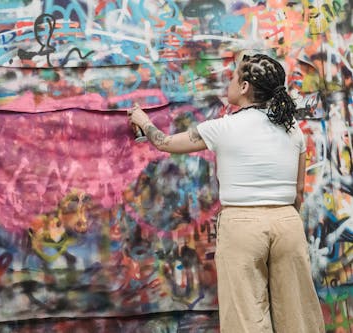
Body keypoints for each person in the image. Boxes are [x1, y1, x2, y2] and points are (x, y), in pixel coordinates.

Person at [127, 53, 325, 333]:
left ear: (244, 87)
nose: (229, 83)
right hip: (287, 224)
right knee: (298, 316)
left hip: (242, 226)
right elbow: (298, 193)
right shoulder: (293, 130)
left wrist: (142, 120)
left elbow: (165, 142)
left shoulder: (224, 127)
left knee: (246, 318)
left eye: (233, 77)